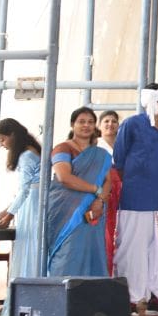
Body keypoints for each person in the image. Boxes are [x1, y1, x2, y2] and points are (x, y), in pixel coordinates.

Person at [113, 84, 158, 316]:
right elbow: (119, 161)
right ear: (154, 101)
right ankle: (132, 298)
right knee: (133, 248)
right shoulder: (131, 124)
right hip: (136, 197)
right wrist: (136, 181)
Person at [46, 107, 113, 277]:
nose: (86, 126)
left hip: (93, 211)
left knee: (92, 252)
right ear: (72, 124)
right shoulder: (63, 148)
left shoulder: (101, 154)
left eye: (90, 122)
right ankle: (61, 291)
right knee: (67, 253)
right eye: (81, 122)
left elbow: (108, 180)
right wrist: (95, 190)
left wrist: (99, 201)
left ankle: (89, 293)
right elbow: (64, 177)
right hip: (66, 211)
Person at [0, 118, 41, 316]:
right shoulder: (33, 151)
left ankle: (23, 303)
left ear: (12, 135)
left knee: (29, 249)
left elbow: (25, 190)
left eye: (2, 140)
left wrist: (10, 214)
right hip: (33, 201)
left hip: (32, 204)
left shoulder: (26, 156)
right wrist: (9, 208)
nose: (2, 145)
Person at [97, 110, 122, 273]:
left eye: (114, 121)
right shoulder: (95, 146)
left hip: (122, 193)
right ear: (99, 125)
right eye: (106, 121)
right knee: (104, 234)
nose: (110, 124)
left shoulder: (123, 146)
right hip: (102, 193)